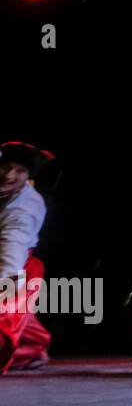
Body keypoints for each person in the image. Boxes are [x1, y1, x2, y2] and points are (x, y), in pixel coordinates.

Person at [0, 142, 55, 373]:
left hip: (15, 269)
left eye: (20, 171)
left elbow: (11, 255)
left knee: (5, 323)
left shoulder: (25, 209)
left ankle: (30, 348)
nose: (10, 175)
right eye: (5, 167)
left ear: (28, 177)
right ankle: (34, 343)